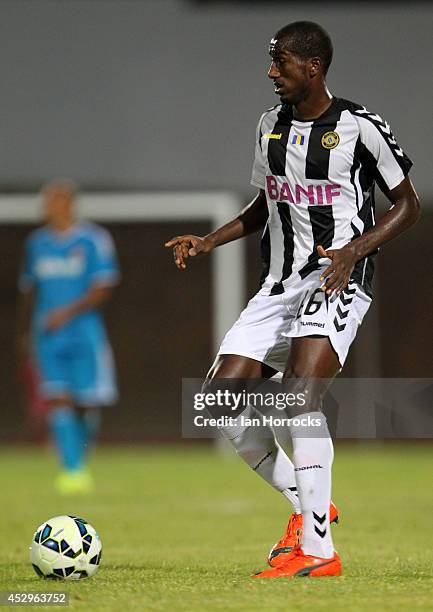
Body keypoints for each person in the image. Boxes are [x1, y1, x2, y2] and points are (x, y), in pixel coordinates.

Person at [165, 21, 420, 577]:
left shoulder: (359, 127)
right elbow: (265, 205)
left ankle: (319, 551)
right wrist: (210, 240)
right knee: (218, 404)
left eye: (280, 62)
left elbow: (407, 205)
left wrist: (354, 250)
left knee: (299, 398)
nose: (271, 72)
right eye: (271, 62)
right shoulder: (269, 126)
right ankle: (310, 506)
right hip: (278, 286)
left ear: (313, 67)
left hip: (336, 278)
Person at [17, 180, 120, 495]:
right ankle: (72, 470)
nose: (49, 207)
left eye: (56, 201)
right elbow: (29, 290)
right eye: (47, 201)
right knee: (57, 398)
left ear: (70, 204)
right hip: (47, 335)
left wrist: (67, 312)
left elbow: (103, 287)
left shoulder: (93, 240)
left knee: (86, 403)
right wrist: (25, 330)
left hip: (84, 333)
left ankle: (78, 457)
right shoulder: (37, 244)